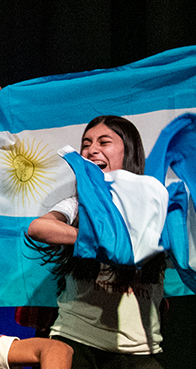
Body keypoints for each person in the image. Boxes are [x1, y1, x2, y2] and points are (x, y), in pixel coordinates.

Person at [26, 115, 165, 369]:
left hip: (138, 352)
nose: (91, 150)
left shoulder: (154, 206)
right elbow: (38, 228)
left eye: (104, 142)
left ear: (129, 151)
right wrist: (96, 242)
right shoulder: (77, 205)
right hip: (75, 343)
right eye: (86, 144)